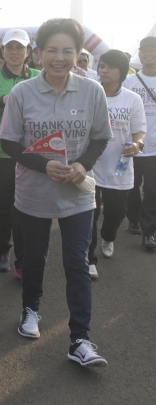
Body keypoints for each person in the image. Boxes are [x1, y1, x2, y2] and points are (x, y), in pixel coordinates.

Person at [0, 18, 112, 367]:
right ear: (40, 53)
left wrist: (83, 165)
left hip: (78, 193)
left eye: (67, 51)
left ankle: (80, 339)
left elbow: (100, 137)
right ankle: (30, 310)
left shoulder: (93, 91)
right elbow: (8, 141)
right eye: (52, 50)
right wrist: (42, 165)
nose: (59, 58)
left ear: (78, 54)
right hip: (33, 192)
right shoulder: (22, 92)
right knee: (34, 258)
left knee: (77, 263)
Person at [0, 29, 39, 276]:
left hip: (31, 154)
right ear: (2, 52)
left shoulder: (37, 77)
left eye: (20, 48)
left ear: (28, 52)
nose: (14, 52)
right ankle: (2, 250)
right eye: (10, 48)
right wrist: (1, 101)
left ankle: (23, 260)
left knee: (26, 209)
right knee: (0, 209)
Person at [88, 50, 146, 279]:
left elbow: (139, 130)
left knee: (116, 213)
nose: (104, 70)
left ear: (121, 71)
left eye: (110, 67)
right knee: (89, 214)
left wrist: (138, 145)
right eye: (102, 66)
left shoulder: (132, 99)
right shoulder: (91, 94)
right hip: (90, 165)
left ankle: (108, 236)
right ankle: (89, 259)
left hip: (119, 167)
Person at [124, 36, 156, 249]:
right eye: (144, 50)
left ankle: (149, 232)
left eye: (152, 50)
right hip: (133, 147)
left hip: (155, 149)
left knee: (153, 190)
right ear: (140, 53)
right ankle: (133, 218)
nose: (148, 54)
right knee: (132, 188)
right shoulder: (130, 81)